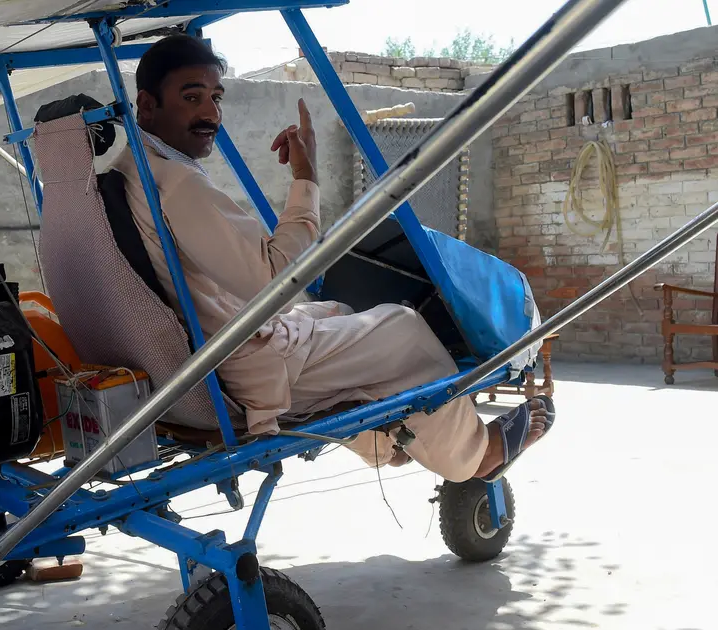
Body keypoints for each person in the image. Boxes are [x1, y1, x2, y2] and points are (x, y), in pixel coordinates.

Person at [107, 34, 552, 483]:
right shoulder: (179, 187)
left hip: (205, 358)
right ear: (146, 105)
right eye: (191, 97)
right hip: (242, 373)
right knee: (403, 330)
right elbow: (276, 284)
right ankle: (476, 456)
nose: (210, 114)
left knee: (339, 311)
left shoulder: (130, 171)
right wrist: (306, 176)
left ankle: (384, 442)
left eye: (215, 98)